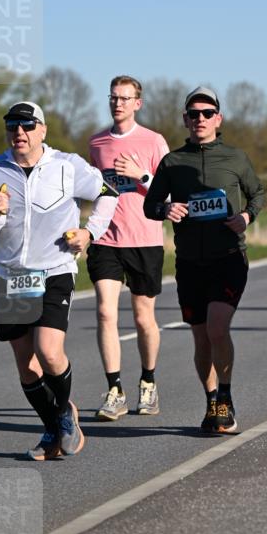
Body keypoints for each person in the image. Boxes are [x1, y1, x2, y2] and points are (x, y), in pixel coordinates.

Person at [0, 101, 117, 460]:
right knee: (26, 364)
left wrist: (89, 233)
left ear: (42, 130)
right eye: (13, 125)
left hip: (54, 269)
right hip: (13, 274)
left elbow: (108, 195)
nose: (20, 132)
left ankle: (63, 415)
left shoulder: (67, 166)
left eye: (28, 125)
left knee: (49, 351)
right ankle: (53, 425)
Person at [143, 86, 264, 434]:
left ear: (218, 119)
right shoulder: (173, 162)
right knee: (200, 340)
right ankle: (212, 400)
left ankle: (225, 396)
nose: (200, 119)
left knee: (217, 328)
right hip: (190, 263)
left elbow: (258, 193)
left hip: (227, 258)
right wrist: (166, 208)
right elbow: (150, 205)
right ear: (185, 119)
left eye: (206, 113)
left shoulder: (236, 157)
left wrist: (247, 217)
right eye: (193, 114)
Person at [88, 76, 169, 421]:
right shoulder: (97, 143)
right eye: (113, 97)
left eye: (125, 98)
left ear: (138, 103)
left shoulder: (153, 141)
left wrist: (141, 175)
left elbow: (168, 194)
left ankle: (148, 382)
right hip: (106, 239)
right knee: (106, 312)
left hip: (145, 239)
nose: (117, 103)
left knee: (142, 317)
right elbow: (95, 187)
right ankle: (114, 390)